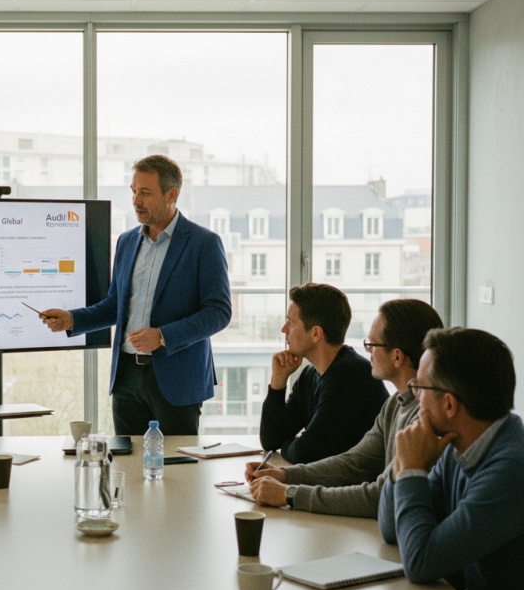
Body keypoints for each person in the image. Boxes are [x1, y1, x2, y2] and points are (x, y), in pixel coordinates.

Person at [41, 155, 231, 435]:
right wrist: (72, 319)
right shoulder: (127, 241)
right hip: (127, 377)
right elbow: (115, 306)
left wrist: (163, 336)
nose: (136, 201)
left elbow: (219, 312)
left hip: (177, 380)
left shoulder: (204, 243)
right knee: (128, 466)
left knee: (177, 471)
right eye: (133, 191)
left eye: (145, 193)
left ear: (172, 194)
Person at [378, 328, 524, 590]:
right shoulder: (455, 446)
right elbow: (391, 528)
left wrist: (413, 468)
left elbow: (420, 561)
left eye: (420, 387)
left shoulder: (512, 469)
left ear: (449, 405)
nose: (415, 396)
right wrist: (405, 463)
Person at [245, 299, 443, 516]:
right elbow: (353, 462)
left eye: (372, 345)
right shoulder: (395, 403)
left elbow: (380, 495)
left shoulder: (427, 417)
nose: (368, 352)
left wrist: (290, 493)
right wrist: (285, 475)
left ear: (397, 356)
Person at [259, 283, 389, 464]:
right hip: (334, 483)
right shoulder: (310, 374)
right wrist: (278, 381)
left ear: (315, 333)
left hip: (361, 487)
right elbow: (271, 439)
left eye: (291, 323)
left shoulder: (350, 376)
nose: (284, 329)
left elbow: (307, 452)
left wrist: (286, 446)